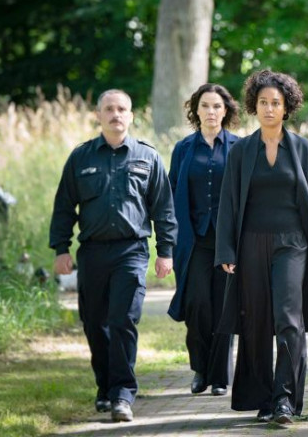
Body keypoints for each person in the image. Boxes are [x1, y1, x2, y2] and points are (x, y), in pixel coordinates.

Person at [49, 89, 178, 423]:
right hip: (92, 252)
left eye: (122, 109)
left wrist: (166, 252)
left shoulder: (147, 157)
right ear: (98, 115)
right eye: (109, 109)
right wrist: (61, 248)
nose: (115, 114)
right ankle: (105, 387)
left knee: (123, 320)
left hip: (131, 251)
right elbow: (64, 206)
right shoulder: (81, 158)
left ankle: (122, 394)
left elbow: (163, 208)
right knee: (95, 323)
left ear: (131, 116)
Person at [215, 69, 308, 425]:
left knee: (288, 318)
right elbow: (228, 203)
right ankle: (263, 398)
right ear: (254, 106)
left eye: (276, 103)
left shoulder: (302, 149)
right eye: (263, 102)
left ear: (286, 107)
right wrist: (226, 251)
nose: (269, 109)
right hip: (250, 243)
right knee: (255, 322)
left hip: (293, 243)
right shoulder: (241, 151)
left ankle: (285, 399)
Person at [167, 83, 240, 397]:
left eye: (217, 106)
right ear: (196, 110)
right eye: (205, 106)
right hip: (193, 241)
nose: (211, 111)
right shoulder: (183, 148)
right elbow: (171, 192)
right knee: (197, 305)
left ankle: (220, 376)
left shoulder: (239, 147)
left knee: (224, 308)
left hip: (228, 242)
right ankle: (200, 368)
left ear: (226, 111)